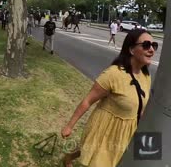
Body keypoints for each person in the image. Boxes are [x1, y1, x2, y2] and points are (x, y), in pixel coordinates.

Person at [61, 29, 157, 167]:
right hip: (105, 126)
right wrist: (69, 126)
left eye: (154, 45)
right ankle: (70, 156)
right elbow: (88, 100)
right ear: (131, 49)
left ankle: (70, 155)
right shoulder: (113, 74)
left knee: (95, 151)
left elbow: (140, 104)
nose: (152, 49)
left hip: (128, 128)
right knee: (100, 158)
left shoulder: (146, 76)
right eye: (146, 45)